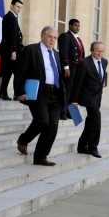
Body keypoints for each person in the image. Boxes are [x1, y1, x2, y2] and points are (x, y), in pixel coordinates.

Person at [14, 26, 66, 166]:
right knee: (42, 121)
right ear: (42, 36)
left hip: (55, 93)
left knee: (53, 126)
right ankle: (23, 140)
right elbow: (21, 71)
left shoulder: (56, 53)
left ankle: (40, 157)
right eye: (50, 37)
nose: (52, 40)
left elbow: (59, 75)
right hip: (39, 93)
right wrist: (19, 91)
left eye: (55, 38)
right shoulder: (31, 50)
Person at [69, 41, 107, 158]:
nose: (99, 53)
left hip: (97, 96)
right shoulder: (84, 63)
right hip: (87, 97)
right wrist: (74, 100)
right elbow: (77, 83)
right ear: (92, 50)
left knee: (91, 121)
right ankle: (93, 147)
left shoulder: (104, 62)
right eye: (97, 51)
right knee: (96, 119)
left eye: (101, 51)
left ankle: (82, 145)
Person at [58, 19, 85, 120]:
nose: (77, 27)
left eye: (79, 26)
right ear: (70, 25)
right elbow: (63, 52)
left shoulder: (78, 39)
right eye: (75, 25)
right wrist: (66, 67)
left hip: (78, 69)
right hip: (70, 67)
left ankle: (71, 114)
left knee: (75, 92)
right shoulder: (65, 36)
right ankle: (63, 112)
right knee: (67, 91)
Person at [0, 0, 24, 100]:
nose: (19, 9)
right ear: (11, 5)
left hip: (9, 49)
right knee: (17, 73)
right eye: (18, 7)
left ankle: (3, 92)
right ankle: (16, 94)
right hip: (13, 51)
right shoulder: (11, 17)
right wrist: (13, 51)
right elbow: (12, 36)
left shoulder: (9, 17)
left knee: (8, 73)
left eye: (20, 8)